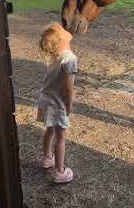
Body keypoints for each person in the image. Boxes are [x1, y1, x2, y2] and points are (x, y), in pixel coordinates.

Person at [37, 22, 77, 183]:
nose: (67, 30)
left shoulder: (56, 55)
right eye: (63, 30)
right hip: (57, 102)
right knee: (60, 137)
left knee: (49, 130)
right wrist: (69, 103)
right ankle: (60, 172)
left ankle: (47, 158)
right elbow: (68, 86)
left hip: (46, 98)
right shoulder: (70, 58)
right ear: (61, 40)